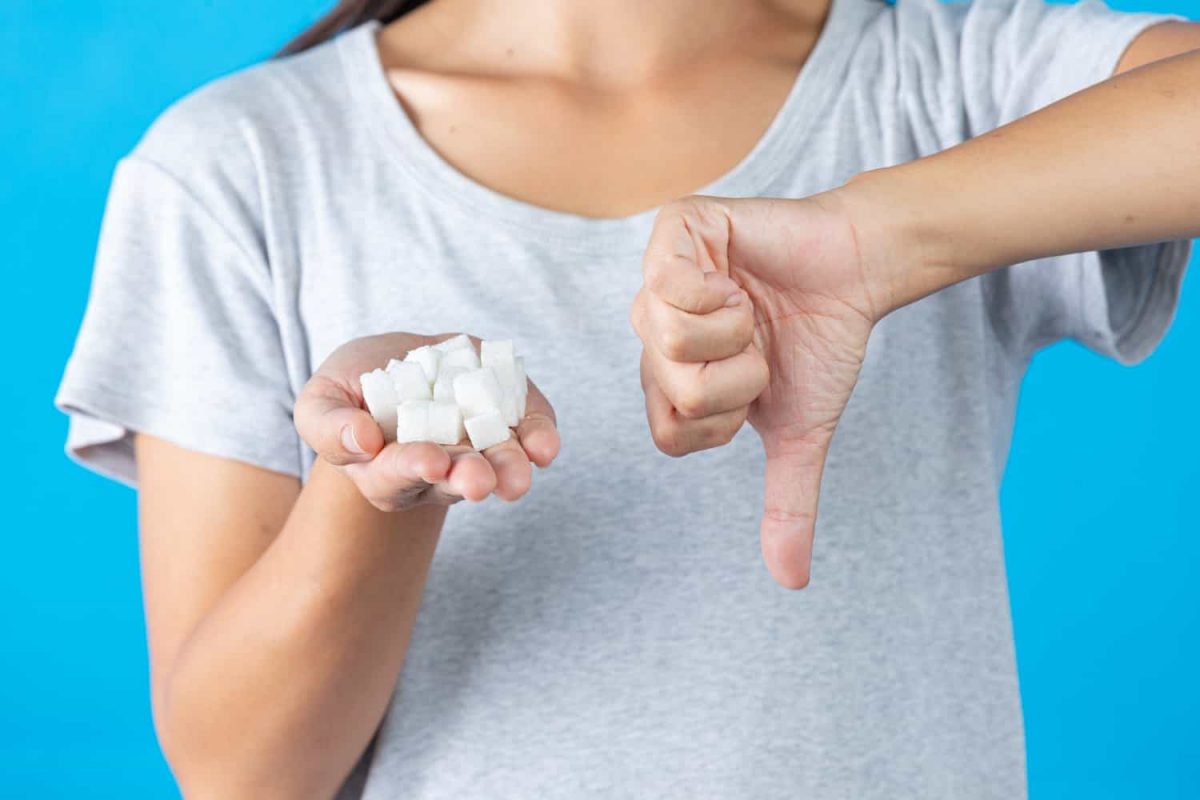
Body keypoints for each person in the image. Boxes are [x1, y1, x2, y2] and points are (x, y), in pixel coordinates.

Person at [55, 0, 1196, 796]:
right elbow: (243, 776)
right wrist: (377, 481)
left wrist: (875, 235)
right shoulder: (238, 167)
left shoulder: (951, 87)